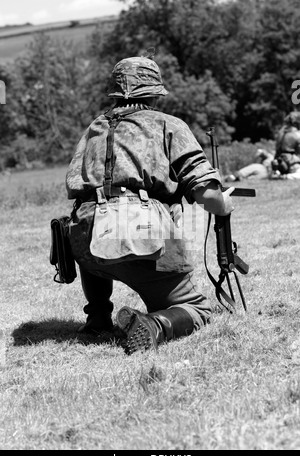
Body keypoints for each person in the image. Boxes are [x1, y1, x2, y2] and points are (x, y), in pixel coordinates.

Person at [65, 53, 234, 355]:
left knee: (95, 213)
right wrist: (224, 204)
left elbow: (83, 190)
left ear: (116, 91)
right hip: (137, 236)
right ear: (155, 92)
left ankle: (98, 318)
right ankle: (154, 326)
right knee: (196, 308)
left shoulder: (95, 128)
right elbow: (207, 196)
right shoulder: (168, 125)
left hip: (84, 242)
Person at [270, 111, 300, 180]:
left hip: (279, 164)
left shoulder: (280, 133)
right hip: (292, 165)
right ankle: (286, 177)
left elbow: (277, 151)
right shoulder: (297, 134)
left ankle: (278, 174)